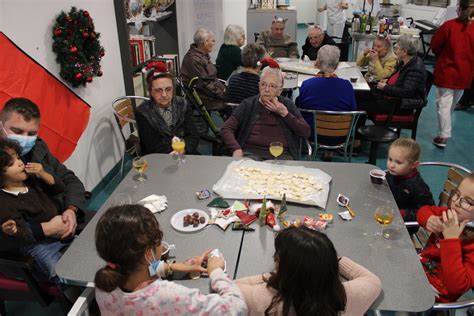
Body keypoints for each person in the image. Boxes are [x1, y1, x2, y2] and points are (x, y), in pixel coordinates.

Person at [94, 204, 248, 315]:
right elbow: (237, 309)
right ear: (149, 254)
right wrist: (216, 272)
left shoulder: (104, 284)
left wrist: (174, 267)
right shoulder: (168, 295)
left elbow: (137, 269)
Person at [235, 226, 382, 315]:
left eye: (277, 259)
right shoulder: (346, 297)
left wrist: (216, 269)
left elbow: (231, 288)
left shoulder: (262, 300)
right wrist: (325, 257)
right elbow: (373, 281)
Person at [0, 98, 84, 240]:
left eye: (31, 134)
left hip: (64, 218)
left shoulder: (38, 148)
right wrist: (46, 229)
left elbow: (70, 180)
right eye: (17, 131)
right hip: (29, 243)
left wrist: (71, 210)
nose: (25, 139)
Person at [0, 139, 72, 283]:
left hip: (60, 234)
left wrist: (44, 175)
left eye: (18, 157)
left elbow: (60, 189)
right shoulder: (4, 201)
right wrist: (13, 231)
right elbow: (21, 234)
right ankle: (75, 296)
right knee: (59, 272)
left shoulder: (30, 180)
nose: (20, 163)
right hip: (38, 246)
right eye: (11, 163)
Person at [220, 67, 310, 161]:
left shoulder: (287, 105)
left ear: (280, 91)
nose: (267, 89)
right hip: (252, 153)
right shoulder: (249, 104)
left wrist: (285, 114)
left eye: (272, 86)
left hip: (282, 154)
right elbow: (226, 128)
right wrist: (236, 149)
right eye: (263, 84)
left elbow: (305, 132)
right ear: (259, 86)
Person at [417, 173, 474, 303]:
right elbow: (424, 210)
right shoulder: (450, 215)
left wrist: (450, 242)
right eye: (457, 194)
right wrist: (429, 219)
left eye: (468, 202)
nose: (457, 203)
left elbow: (456, 287)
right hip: (419, 269)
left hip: (436, 296)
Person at [296, 45, 356, 161]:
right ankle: (330, 152)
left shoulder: (308, 84)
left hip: (312, 133)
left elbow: (300, 105)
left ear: (317, 62)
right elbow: (352, 109)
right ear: (337, 64)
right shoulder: (347, 86)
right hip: (341, 134)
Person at [431, 0, 474, 148]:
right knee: (450, 105)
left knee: (444, 104)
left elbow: (435, 45)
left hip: (447, 72)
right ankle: (444, 131)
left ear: (460, 8)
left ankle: (443, 136)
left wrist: (443, 56)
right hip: (465, 74)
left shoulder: (449, 26)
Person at [135, 61, 200, 155]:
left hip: (186, 152)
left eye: (168, 89)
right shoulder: (142, 112)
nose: (164, 95)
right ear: (151, 92)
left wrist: (184, 149)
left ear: (173, 89)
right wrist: (175, 150)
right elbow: (152, 145)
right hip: (159, 157)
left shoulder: (183, 104)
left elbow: (193, 135)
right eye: (158, 90)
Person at [358, 35, 427, 116]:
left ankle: (358, 126)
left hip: (399, 105)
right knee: (358, 94)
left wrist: (385, 87)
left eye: (397, 49)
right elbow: (397, 78)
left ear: (404, 52)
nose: (395, 51)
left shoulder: (415, 69)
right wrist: (387, 80)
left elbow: (405, 92)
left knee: (360, 105)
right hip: (391, 96)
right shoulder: (405, 62)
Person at [386, 138, 434, 234]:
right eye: (390, 159)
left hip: (405, 227)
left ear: (414, 165)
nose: (391, 165)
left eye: (398, 162)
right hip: (389, 214)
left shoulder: (418, 186)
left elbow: (428, 211)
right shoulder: (394, 173)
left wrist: (403, 213)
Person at [180, 28, 227, 111]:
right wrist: (223, 94)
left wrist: (225, 90)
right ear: (205, 43)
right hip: (204, 97)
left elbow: (212, 79)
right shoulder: (194, 60)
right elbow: (205, 85)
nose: (214, 43)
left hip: (208, 93)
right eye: (212, 41)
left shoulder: (202, 56)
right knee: (232, 104)